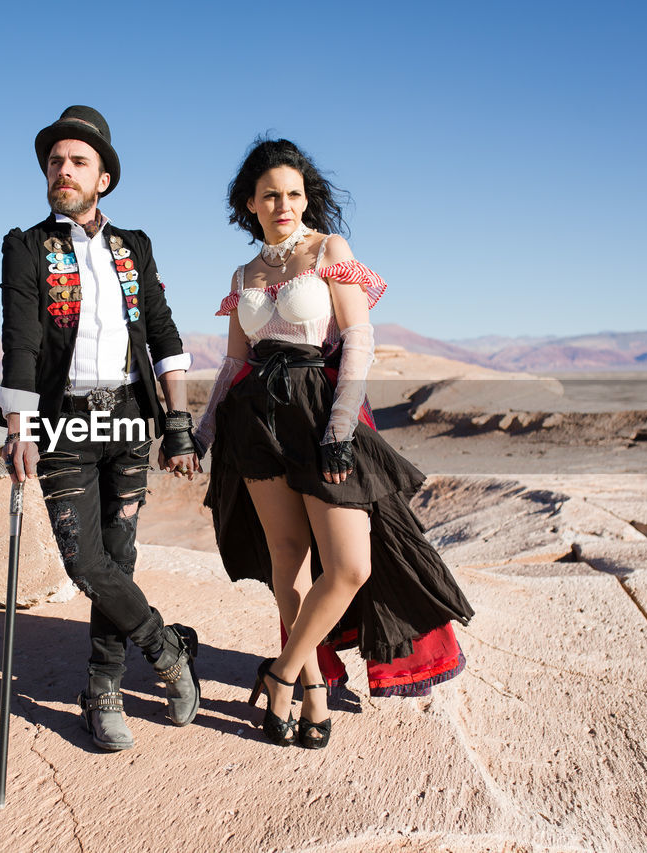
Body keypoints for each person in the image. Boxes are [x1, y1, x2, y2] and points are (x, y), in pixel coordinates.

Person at [194, 138, 475, 749]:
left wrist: (342, 427)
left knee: (349, 565)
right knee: (286, 564)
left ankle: (282, 673)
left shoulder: (328, 250)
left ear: (306, 197)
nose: (283, 203)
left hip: (318, 413)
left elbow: (359, 337)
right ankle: (314, 690)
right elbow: (231, 364)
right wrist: (203, 431)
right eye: (270, 195)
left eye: (293, 193)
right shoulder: (243, 275)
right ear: (250, 204)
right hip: (255, 422)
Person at [0, 106, 203, 752]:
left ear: (103, 178)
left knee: (121, 555)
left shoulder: (132, 247)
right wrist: (20, 426)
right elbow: (20, 346)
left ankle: (103, 686)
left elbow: (164, 338)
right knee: (86, 562)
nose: (63, 170)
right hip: (61, 425)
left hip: (130, 422)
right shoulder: (27, 247)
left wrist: (178, 426)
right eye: (55, 161)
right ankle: (165, 648)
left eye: (77, 161)